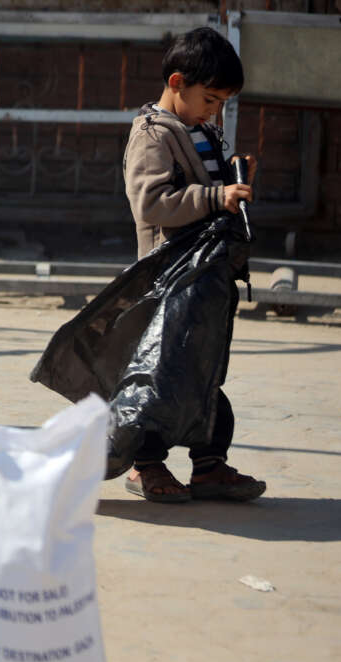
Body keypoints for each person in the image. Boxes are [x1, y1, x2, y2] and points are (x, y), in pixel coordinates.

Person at [120, 26, 266, 503]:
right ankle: (146, 466)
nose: (215, 110)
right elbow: (153, 204)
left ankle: (208, 466)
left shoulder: (201, 129)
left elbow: (209, 194)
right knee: (162, 377)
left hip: (204, 277)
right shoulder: (152, 135)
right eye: (210, 98)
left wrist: (232, 179)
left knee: (204, 372)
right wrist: (214, 195)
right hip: (169, 280)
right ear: (177, 81)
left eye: (222, 101)